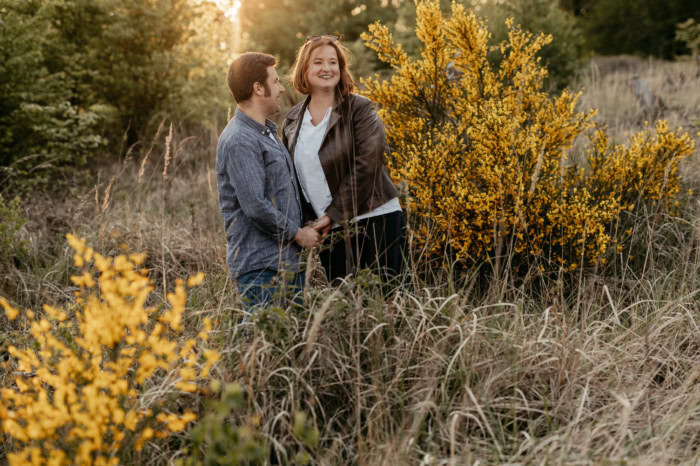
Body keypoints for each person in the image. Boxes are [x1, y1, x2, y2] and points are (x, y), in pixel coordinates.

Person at [282, 36, 406, 285]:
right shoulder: (292, 120)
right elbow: (294, 180)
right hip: (331, 231)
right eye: (318, 62)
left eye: (333, 62)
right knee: (345, 309)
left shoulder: (359, 108)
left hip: (376, 219)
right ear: (304, 69)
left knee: (391, 305)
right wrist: (310, 223)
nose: (327, 68)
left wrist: (333, 213)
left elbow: (367, 163)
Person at [216, 52, 320, 312]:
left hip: (285, 262)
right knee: (262, 346)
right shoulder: (240, 140)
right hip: (262, 267)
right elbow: (255, 205)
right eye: (275, 82)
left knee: (287, 346)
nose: (282, 88)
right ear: (258, 88)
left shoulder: (268, 133)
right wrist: (297, 234)